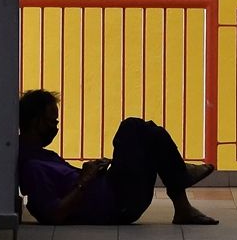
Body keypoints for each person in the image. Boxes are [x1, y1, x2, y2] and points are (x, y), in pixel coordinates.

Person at [17, 89, 218, 225]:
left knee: (147, 134)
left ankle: (182, 201)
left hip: (113, 190)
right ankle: (180, 175)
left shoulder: (44, 155)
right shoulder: (33, 167)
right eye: (52, 122)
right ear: (35, 121)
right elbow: (54, 214)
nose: (56, 127)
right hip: (116, 202)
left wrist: (93, 171)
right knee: (131, 128)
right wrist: (85, 180)